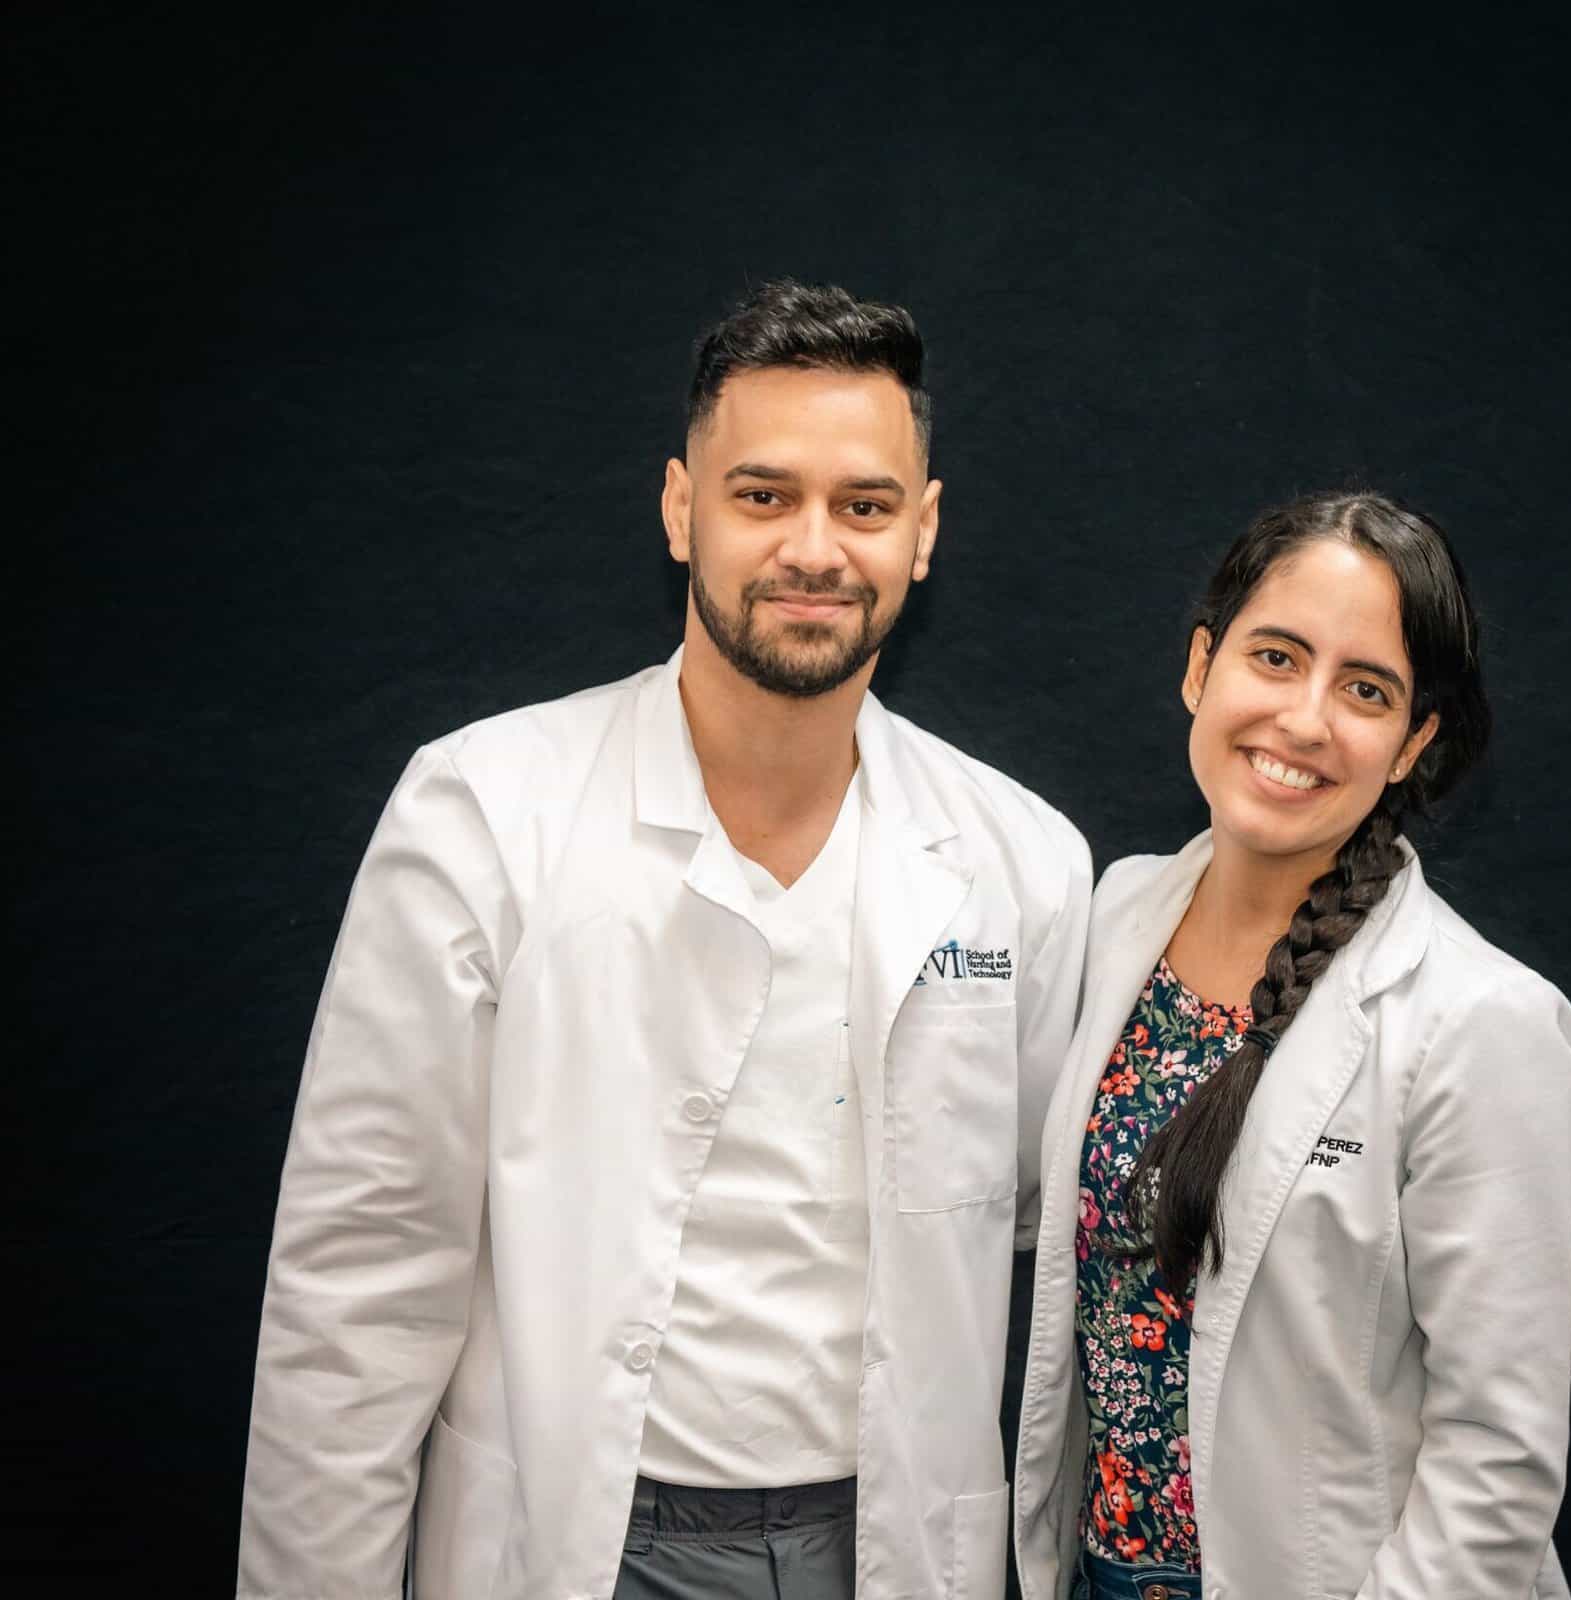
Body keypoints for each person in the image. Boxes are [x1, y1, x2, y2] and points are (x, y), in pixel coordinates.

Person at [238, 280, 1091, 1600]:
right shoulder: (486, 813)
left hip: (887, 1542)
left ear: (921, 535)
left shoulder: (1022, 862)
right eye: (763, 496)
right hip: (577, 1535)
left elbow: (1031, 1211)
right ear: (681, 508)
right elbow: (360, 1280)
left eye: (863, 506)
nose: (816, 547)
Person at [1012, 492, 1571, 1600]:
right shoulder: (1115, 916)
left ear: (1414, 739)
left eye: (1365, 688)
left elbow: (1499, 1458)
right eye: (1274, 656)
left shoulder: (1482, 1025)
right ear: (1199, 667)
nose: (1304, 717)